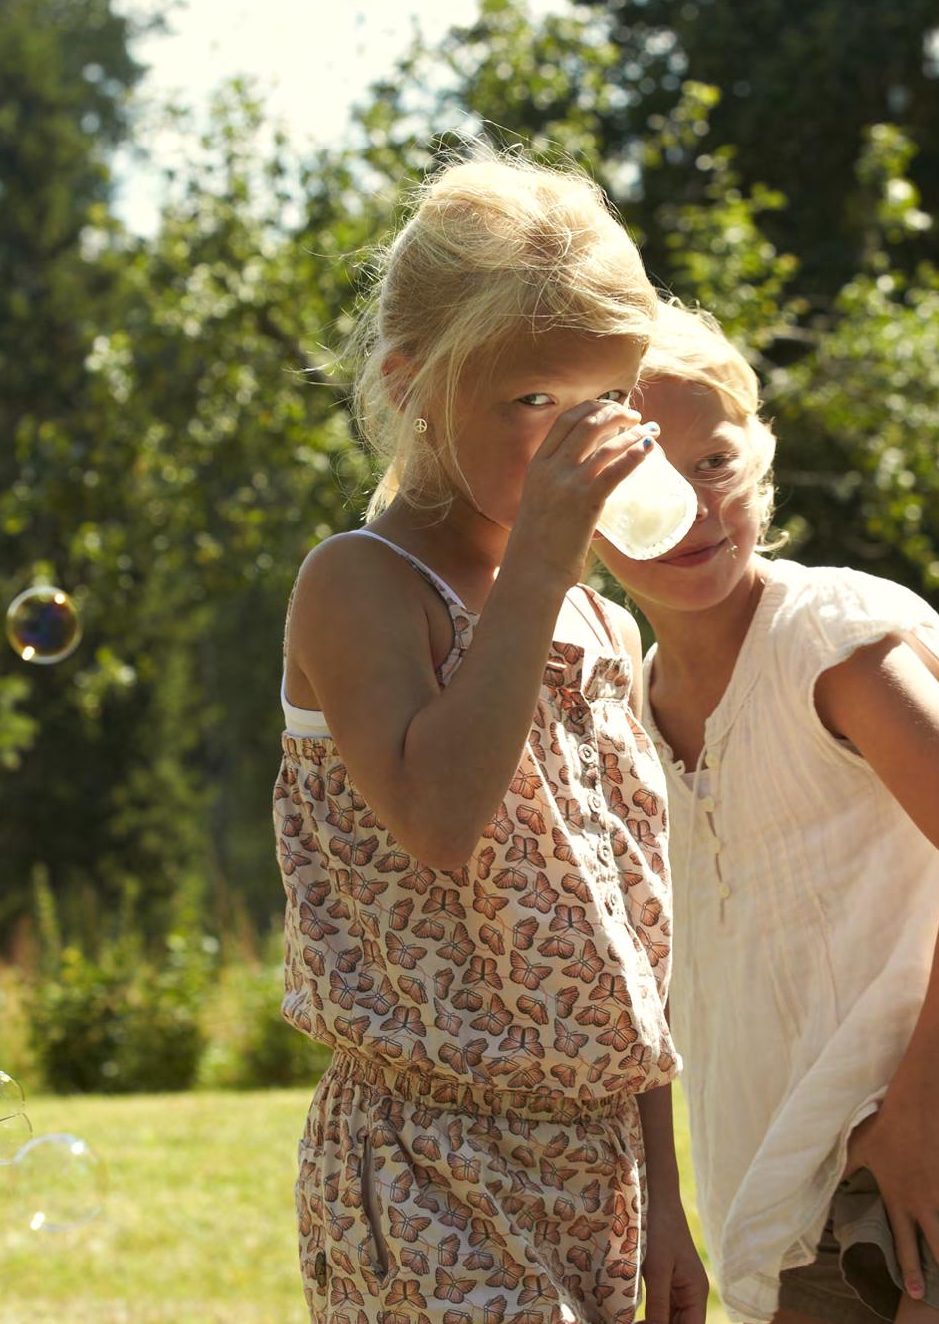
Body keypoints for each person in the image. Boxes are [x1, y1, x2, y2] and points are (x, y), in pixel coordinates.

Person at [595, 302, 939, 1324]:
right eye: (640, 483)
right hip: (803, 1155)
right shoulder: (619, 711)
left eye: (714, 461)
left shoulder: (832, 642)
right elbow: (643, 983)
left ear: (758, 460)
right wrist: (657, 1204)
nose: (691, 507)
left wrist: (924, 1120)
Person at [275, 151, 709, 1324]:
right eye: (534, 404)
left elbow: (637, 934)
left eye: (605, 403)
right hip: (431, 1164)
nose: (579, 442)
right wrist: (542, 563)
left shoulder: (599, 626)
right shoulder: (365, 585)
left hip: (602, 1164)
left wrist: (664, 1194)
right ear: (414, 383)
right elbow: (439, 814)